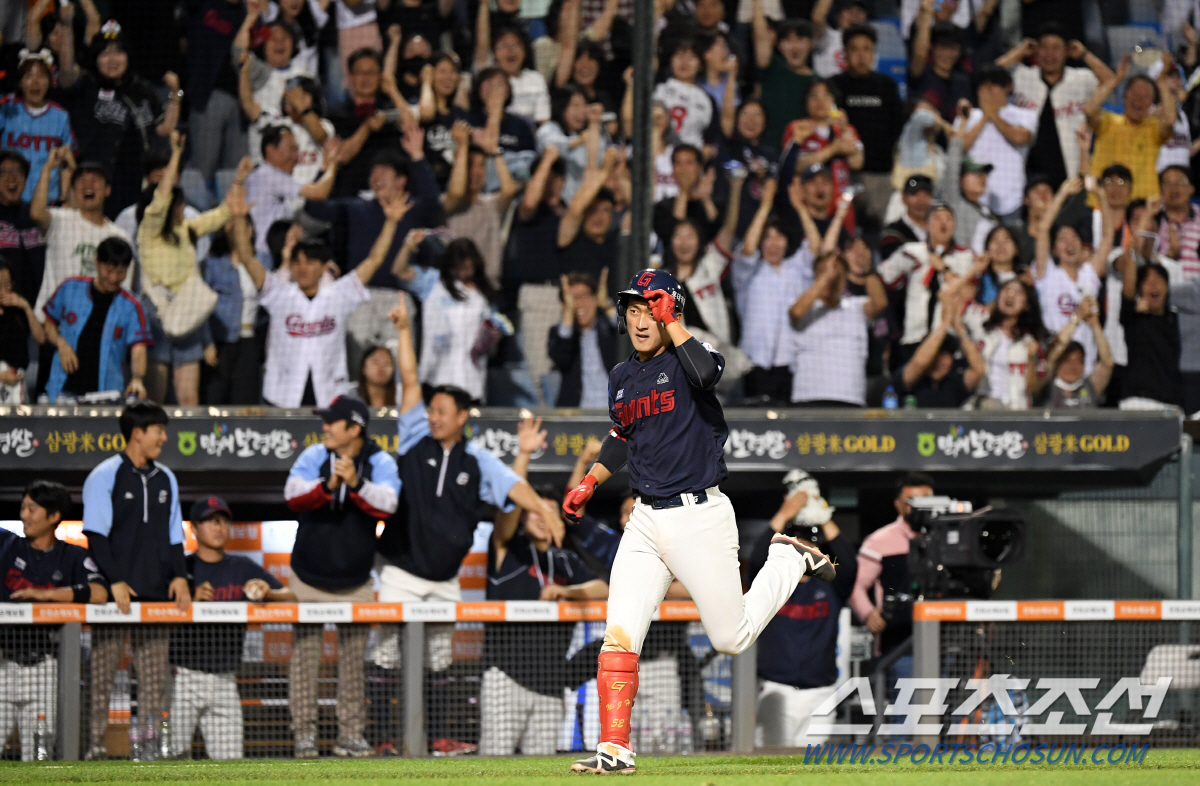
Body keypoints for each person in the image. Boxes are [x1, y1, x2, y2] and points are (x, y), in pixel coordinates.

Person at [561, 268, 835, 774]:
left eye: (651, 307)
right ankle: (615, 748)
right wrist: (592, 481)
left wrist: (676, 322)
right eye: (635, 309)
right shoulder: (622, 377)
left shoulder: (691, 356)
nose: (640, 319)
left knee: (731, 639)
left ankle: (788, 558)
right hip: (644, 518)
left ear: (672, 310)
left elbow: (710, 375)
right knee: (619, 634)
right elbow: (622, 436)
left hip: (699, 514)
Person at [373, 296, 563, 751]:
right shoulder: (415, 434)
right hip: (400, 570)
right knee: (383, 657)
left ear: (462, 418)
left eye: (443, 411)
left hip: (445, 578)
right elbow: (411, 378)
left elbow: (514, 488)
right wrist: (403, 329)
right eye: (432, 409)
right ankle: (382, 739)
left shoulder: (476, 460)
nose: (434, 416)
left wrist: (541, 508)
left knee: (440, 661)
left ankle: (437, 737)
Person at [481, 418, 608, 756]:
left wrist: (566, 593)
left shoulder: (565, 562)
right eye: (536, 512)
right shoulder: (508, 551)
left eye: (550, 513)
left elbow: (603, 588)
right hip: (505, 680)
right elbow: (511, 500)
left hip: (551, 685)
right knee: (491, 774)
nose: (541, 517)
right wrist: (523, 454)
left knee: (543, 775)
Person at [284, 395, 400, 759]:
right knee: (304, 662)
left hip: (355, 583)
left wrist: (357, 484)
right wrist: (329, 485)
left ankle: (350, 735)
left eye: (332, 422)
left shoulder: (379, 460)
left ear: (354, 428)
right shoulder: (315, 456)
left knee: (353, 664)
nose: (325, 427)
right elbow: (292, 495)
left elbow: (389, 503)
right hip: (308, 579)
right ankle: (304, 735)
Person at [82, 401, 191, 761]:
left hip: (156, 596)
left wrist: (179, 576)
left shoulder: (167, 478)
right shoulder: (105, 474)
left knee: (153, 682)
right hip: (117, 598)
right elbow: (96, 535)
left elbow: (175, 534)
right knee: (101, 679)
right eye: (158, 430)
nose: (164, 437)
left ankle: (147, 747)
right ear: (137, 433)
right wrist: (114, 580)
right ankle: (95, 746)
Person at [233, 191, 409, 407]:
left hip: (329, 395)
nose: (302, 268)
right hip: (281, 394)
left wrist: (391, 222)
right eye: (297, 262)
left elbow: (373, 260)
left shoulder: (338, 294)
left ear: (324, 267)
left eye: (310, 262)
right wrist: (240, 219)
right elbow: (247, 258)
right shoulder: (279, 294)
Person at [169, 496, 296, 760]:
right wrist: (189, 599)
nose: (218, 527)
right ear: (193, 528)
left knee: (230, 765)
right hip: (183, 676)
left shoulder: (242, 567)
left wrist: (267, 592)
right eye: (210, 521)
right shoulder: (182, 568)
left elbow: (291, 596)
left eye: (223, 521)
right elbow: (155, 607)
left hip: (225, 678)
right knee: (171, 761)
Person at [0, 480, 107, 762]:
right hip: (2, 664)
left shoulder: (72, 555)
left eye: (32, 508)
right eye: (22, 507)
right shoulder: (6, 545)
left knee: (39, 757)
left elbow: (99, 593)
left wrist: (46, 594)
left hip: (44, 668)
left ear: (53, 515)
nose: (24, 515)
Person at [749, 471, 857, 748]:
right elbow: (756, 561)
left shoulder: (831, 585)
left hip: (820, 691)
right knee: (769, 764)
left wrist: (822, 515)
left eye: (809, 543)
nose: (803, 549)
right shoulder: (773, 583)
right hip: (777, 688)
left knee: (812, 767)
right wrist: (784, 514)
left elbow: (849, 563)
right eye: (796, 544)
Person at [65, 21, 181, 218]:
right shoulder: (86, 86)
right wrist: (67, 26)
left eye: (118, 52)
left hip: (135, 180)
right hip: (96, 180)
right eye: (105, 53)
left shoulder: (142, 90)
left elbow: (164, 128)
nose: (112, 59)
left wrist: (175, 94)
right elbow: (66, 72)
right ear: (96, 59)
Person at [849, 473, 935, 701]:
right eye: (911, 501)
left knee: (949, 721)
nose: (919, 507)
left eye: (926, 499)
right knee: (907, 719)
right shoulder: (880, 541)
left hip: (948, 645)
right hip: (899, 647)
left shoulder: (951, 537)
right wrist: (868, 614)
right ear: (898, 504)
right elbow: (855, 584)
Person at [1000, 23, 1114, 189]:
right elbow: (988, 77)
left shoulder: (1081, 79)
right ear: (1037, 51)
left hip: (1070, 172)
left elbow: (1111, 80)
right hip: (1027, 173)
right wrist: (1019, 51)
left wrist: (1084, 54)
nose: (1049, 54)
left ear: (1067, 51)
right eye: (1044, 48)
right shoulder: (1022, 75)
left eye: (1056, 48)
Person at [41, 237, 149, 403]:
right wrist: (61, 344)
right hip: (61, 390)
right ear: (97, 262)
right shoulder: (69, 287)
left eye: (120, 272)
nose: (113, 278)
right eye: (109, 270)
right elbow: (48, 325)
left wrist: (137, 378)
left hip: (106, 395)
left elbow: (139, 347)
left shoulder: (132, 306)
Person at [731, 179, 808, 406]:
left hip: (792, 361)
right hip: (755, 361)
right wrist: (765, 206)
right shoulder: (747, 273)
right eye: (767, 237)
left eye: (778, 237)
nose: (773, 243)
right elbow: (747, 249)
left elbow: (815, 249)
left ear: (787, 241)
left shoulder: (796, 269)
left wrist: (800, 207)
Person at [31, 149, 131, 320]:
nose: (88, 185)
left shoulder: (119, 237)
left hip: (94, 326)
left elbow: (123, 290)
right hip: (53, 323)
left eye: (95, 180)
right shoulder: (60, 219)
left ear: (108, 190)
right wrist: (48, 168)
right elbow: (36, 213)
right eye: (81, 180)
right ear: (74, 190)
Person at [1033, 178, 1113, 374]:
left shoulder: (1089, 274)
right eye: (1062, 239)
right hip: (1054, 363)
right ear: (1054, 250)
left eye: (1074, 238)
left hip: (1086, 368)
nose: (1070, 243)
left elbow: (1108, 236)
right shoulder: (1047, 273)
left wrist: (1101, 196)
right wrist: (1063, 194)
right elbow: (1043, 229)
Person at [788, 251, 888, 407]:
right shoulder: (805, 306)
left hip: (849, 397)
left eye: (837, 273)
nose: (832, 277)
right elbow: (796, 313)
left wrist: (866, 271)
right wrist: (825, 277)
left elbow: (880, 303)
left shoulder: (856, 306)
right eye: (824, 271)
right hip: (808, 397)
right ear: (816, 276)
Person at [830, 24, 906, 222]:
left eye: (866, 49)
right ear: (845, 53)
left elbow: (896, 128)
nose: (861, 55)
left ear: (874, 53)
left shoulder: (887, 85)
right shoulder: (834, 85)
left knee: (879, 231)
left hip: (879, 174)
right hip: (844, 173)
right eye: (854, 49)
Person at [1086, 55, 1177, 202]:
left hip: (1141, 208)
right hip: (1103, 204)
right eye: (1134, 94)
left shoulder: (1153, 129)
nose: (1138, 100)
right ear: (1125, 97)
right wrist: (1115, 80)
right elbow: (1089, 111)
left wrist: (1161, 83)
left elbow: (1170, 120)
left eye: (1145, 96)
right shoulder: (1108, 122)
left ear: (1151, 103)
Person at [957, 66, 1038, 222]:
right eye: (983, 86)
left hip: (1012, 201)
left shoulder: (1025, 114)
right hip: (975, 201)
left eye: (993, 85)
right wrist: (984, 118)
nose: (987, 91)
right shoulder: (969, 116)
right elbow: (959, 147)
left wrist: (993, 114)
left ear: (1007, 87)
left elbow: (1020, 138)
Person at [245, 125, 340, 257]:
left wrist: (324, 165)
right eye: (292, 149)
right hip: (267, 255)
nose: (296, 157)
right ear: (271, 150)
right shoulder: (269, 175)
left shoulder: (261, 175)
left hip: (265, 251)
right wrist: (333, 163)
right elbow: (319, 192)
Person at [1117, 229, 1184, 410]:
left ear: (1167, 288)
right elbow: (1128, 293)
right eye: (1147, 281)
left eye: (1159, 279)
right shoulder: (1133, 317)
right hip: (1137, 402)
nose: (1153, 284)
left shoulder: (1176, 319)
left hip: (1171, 403)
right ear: (1140, 290)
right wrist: (1132, 253)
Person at [0, 48, 74, 204]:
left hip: (47, 203)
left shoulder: (60, 116)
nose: (35, 82)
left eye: (41, 76)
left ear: (50, 81)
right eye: (29, 75)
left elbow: (66, 163)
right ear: (20, 82)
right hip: (8, 202)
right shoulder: (7, 109)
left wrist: (65, 199)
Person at [893, 290, 986, 408]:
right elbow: (920, 363)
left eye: (944, 356)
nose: (938, 362)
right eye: (934, 356)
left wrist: (958, 326)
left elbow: (979, 370)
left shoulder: (954, 383)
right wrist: (945, 322)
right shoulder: (912, 379)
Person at [549, 271, 618, 408]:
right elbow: (560, 357)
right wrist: (568, 313)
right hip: (578, 413)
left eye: (584, 296)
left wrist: (606, 305)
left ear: (595, 299)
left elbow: (632, 334)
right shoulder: (563, 335)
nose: (579, 303)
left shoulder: (608, 330)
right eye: (572, 298)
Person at [752, 5, 815, 152]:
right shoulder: (772, 68)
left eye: (800, 39)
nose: (794, 47)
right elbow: (760, 37)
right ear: (779, 46)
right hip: (767, 153)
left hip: (800, 158)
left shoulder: (819, 84)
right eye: (788, 40)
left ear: (811, 44)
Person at [977, 279, 1048, 409]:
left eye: (1018, 292)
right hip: (986, 405)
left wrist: (1031, 358)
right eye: (1006, 290)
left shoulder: (1030, 342)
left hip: (1017, 409)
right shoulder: (980, 329)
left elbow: (1033, 389)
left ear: (1026, 305)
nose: (1010, 295)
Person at [1038, 298, 1113, 408]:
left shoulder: (1091, 387)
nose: (1073, 367)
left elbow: (1107, 363)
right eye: (1067, 361)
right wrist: (1077, 318)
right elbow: (1056, 349)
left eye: (1079, 361)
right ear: (1057, 363)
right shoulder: (1045, 386)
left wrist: (1094, 324)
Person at [0, 152, 46, 308]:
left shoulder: (35, 215)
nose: (11, 178)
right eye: (4, 173)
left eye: (18, 172)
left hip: (35, 312)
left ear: (26, 180)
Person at [0, 256, 45, 403]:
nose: (3, 291)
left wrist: (25, 307)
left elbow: (40, 338)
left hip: (16, 381)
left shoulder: (17, 310)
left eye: (7, 285)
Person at [879, 174, 933, 261]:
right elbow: (893, 262)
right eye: (915, 194)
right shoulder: (892, 233)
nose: (921, 201)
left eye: (926, 195)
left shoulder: (937, 230)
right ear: (903, 199)